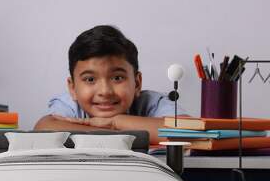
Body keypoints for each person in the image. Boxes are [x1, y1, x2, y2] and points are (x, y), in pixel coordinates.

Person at [34, 25, 188, 144]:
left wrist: (115, 123)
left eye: (117, 78)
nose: (105, 91)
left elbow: (192, 131)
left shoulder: (151, 102)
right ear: (73, 88)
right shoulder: (70, 106)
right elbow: (44, 129)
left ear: (137, 83)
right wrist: (118, 136)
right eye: (90, 79)